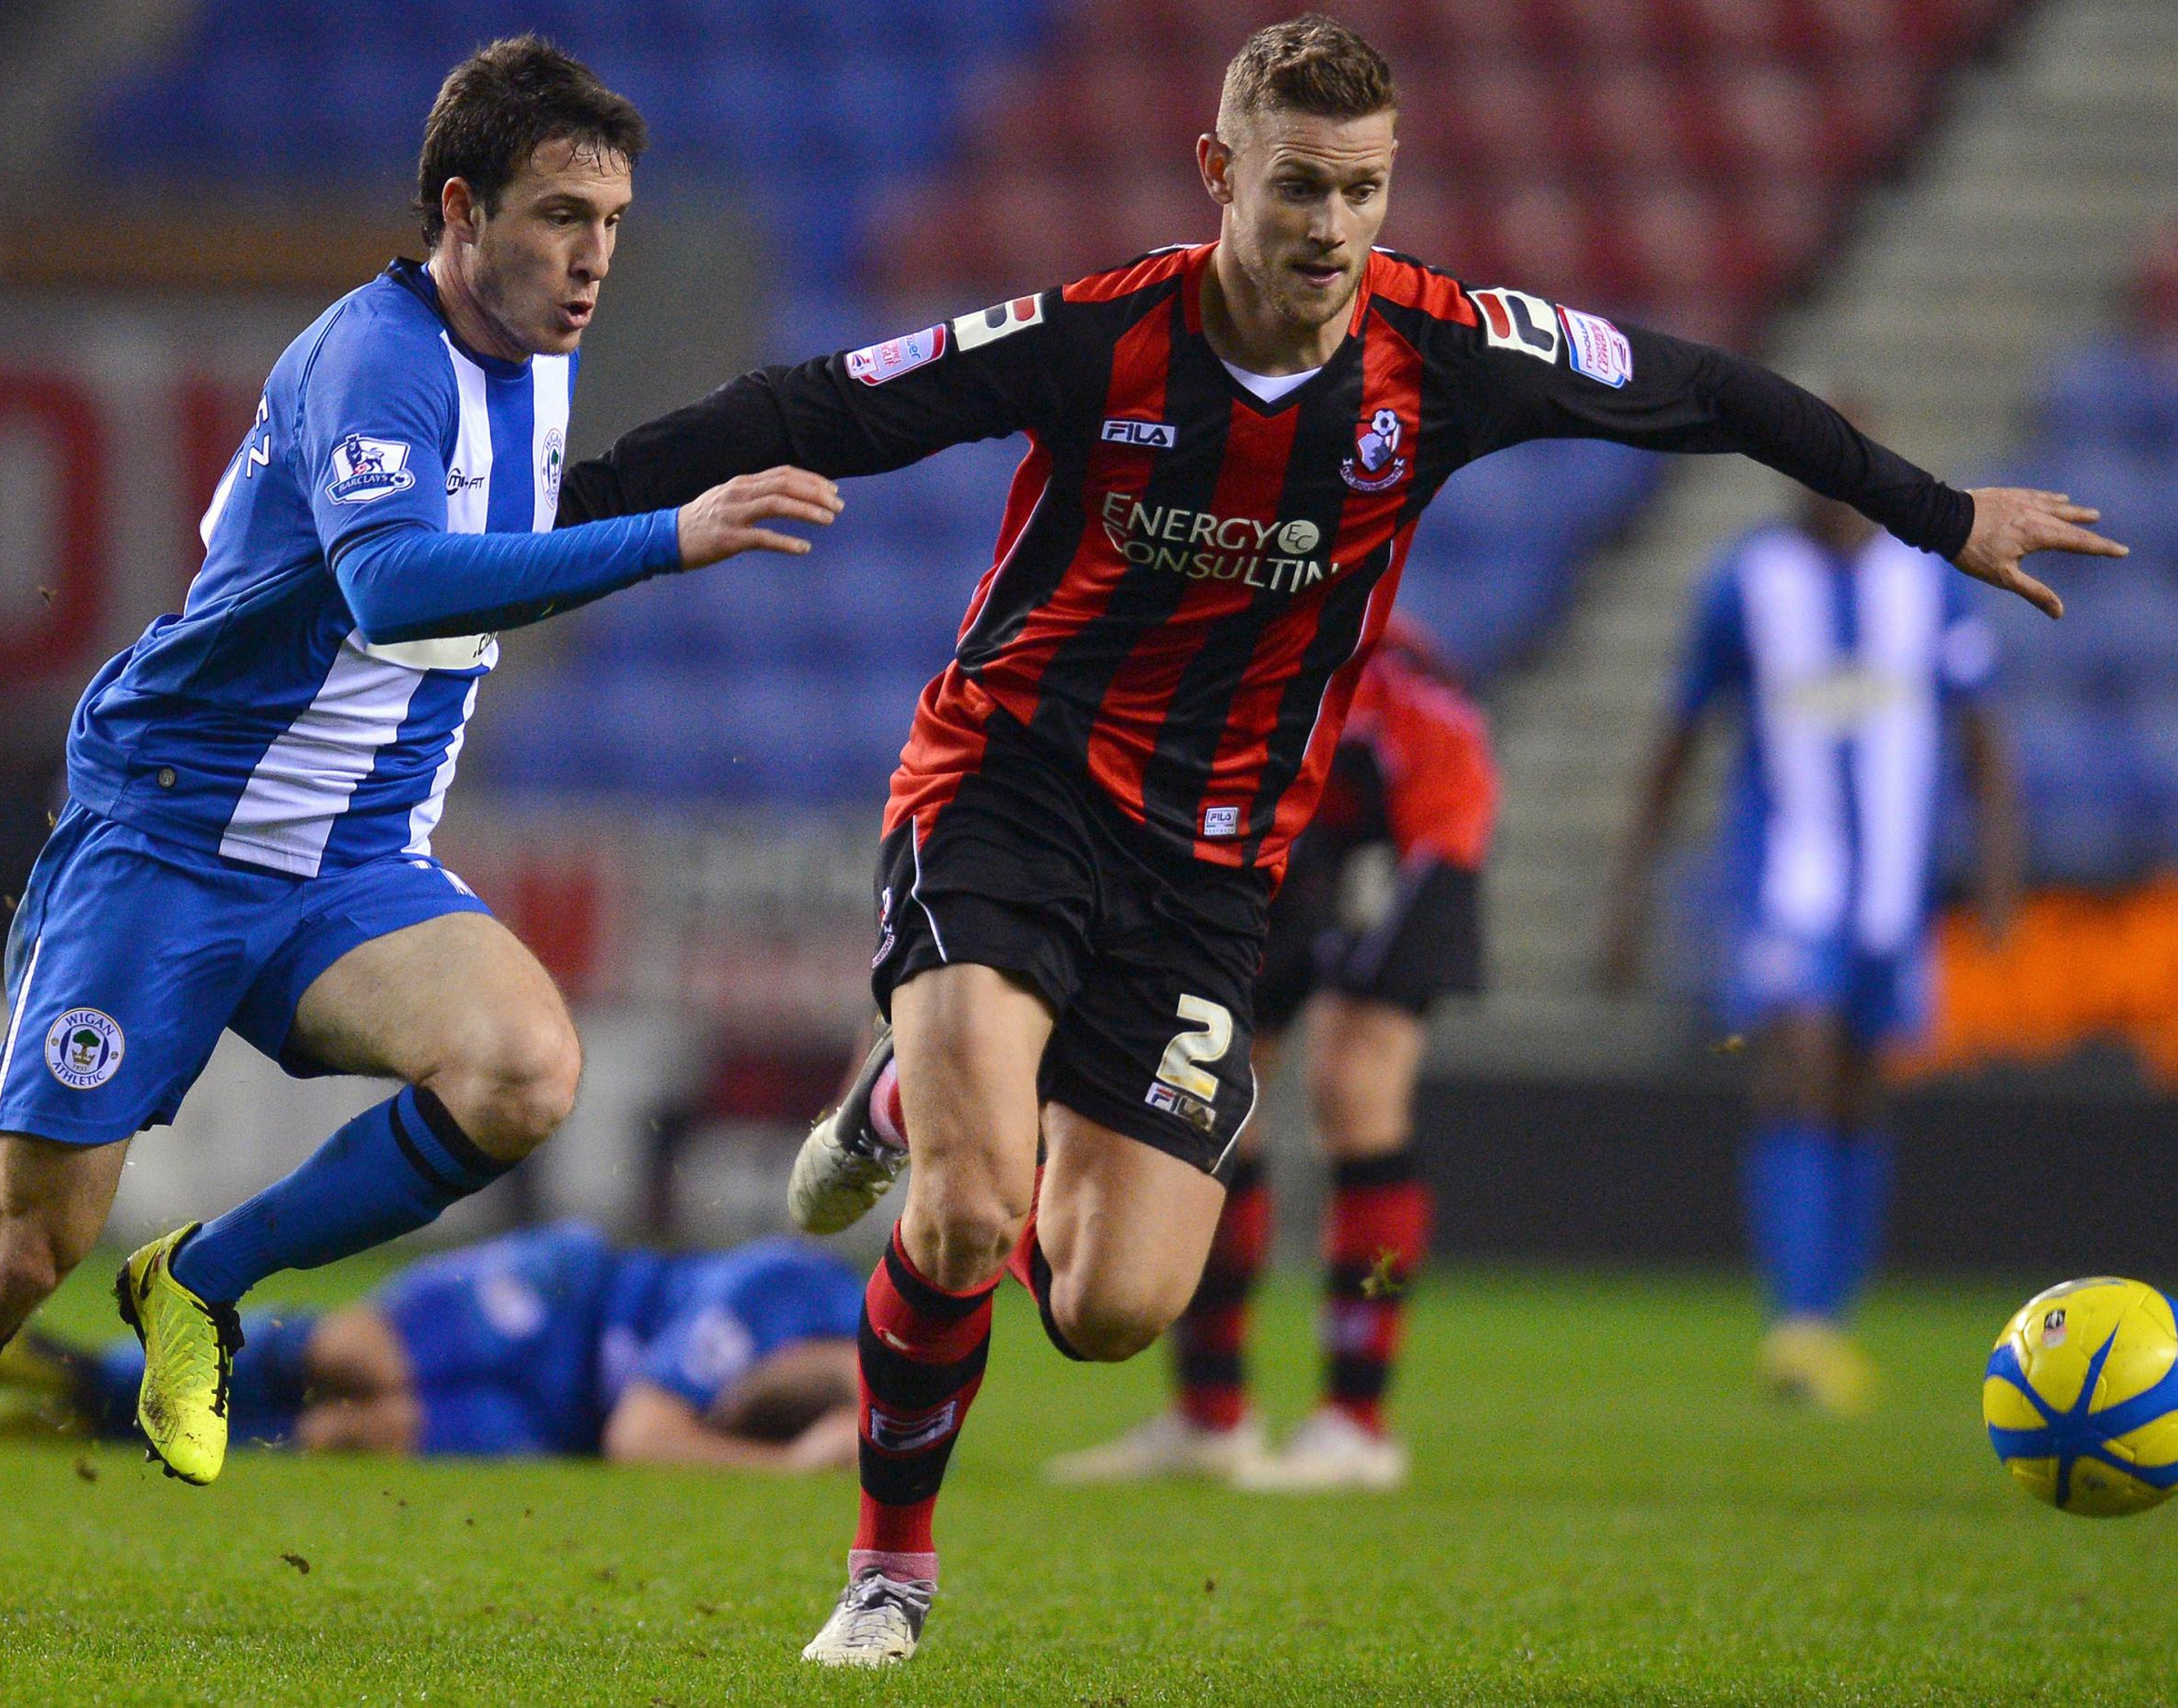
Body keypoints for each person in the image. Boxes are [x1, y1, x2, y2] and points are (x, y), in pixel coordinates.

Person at [558, 14, 2115, 1665]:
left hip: (1214, 870)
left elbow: (1711, 389)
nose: (1332, 227)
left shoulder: (1447, 352)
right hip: (1007, 788)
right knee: (962, 1210)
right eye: (1300, 186)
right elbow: (824, 399)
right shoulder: (1099, 334)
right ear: (1222, 171)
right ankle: (890, 1574)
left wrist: (1941, 517)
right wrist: (573, 503)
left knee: (1107, 1307)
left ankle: (899, 1092)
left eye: (1365, 190)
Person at [0, 36, 842, 1514]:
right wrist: (675, 534)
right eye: (558, 217)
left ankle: (197, 1281)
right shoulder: (374, 354)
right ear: (461, 211)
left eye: (611, 223)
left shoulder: (539, 360)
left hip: (348, 859)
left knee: (525, 1071)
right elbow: (395, 588)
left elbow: (508, 537)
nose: (591, 256)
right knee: (9, 1259)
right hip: (174, 836)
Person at [1599, 443, 2025, 1414]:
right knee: (1796, 1061)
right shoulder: (1743, 584)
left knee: (1862, 1091)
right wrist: (1632, 891)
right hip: (1783, 883)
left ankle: (1827, 1319)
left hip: (1891, 890)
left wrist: (2000, 879)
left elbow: (1982, 736)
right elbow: (1678, 738)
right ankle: (1794, 1325)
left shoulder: (1926, 586)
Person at [1048, 615, 1494, 1490]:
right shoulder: (1213, 618)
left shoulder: (1364, 649)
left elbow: (1441, 760)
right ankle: (1213, 1416)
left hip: (1415, 834)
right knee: (1218, 1103)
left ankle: (1357, 1423)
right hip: (1280, 839)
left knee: (1354, 1088)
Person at [0, 1224, 864, 1471]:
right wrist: (786, 1467)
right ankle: (97, 1374)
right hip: (566, 1301)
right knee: (359, 1358)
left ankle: (111, 1426)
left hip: (556, 1421)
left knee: (362, 1432)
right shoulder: (778, 1292)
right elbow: (644, 1434)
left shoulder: (873, 1397)